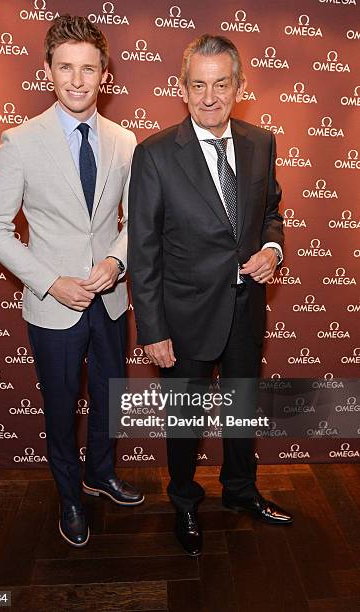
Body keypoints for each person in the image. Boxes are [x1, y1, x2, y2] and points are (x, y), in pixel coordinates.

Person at [0, 14, 143, 549]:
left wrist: (117, 263)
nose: (77, 79)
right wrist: (50, 281)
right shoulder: (20, 141)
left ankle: (100, 473)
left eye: (88, 68)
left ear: (105, 75)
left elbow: (137, 220)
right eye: (66, 67)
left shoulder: (124, 140)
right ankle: (69, 496)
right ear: (47, 70)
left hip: (112, 297)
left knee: (110, 395)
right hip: (55, 305)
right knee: (61, 404)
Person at [128, 34, 292, 557]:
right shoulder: (154, 154)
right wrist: (152, 330)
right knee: (185, 421)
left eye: (222, 84)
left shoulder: (261, 142)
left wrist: (273, 248)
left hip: (246, 310)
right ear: (181, 89)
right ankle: (184, 502)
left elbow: (272, 213)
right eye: (198, 85)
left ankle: (241, 492)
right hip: (183, 316)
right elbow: (144, 248)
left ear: (240, 86)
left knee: (242, 409)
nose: (209, 96)